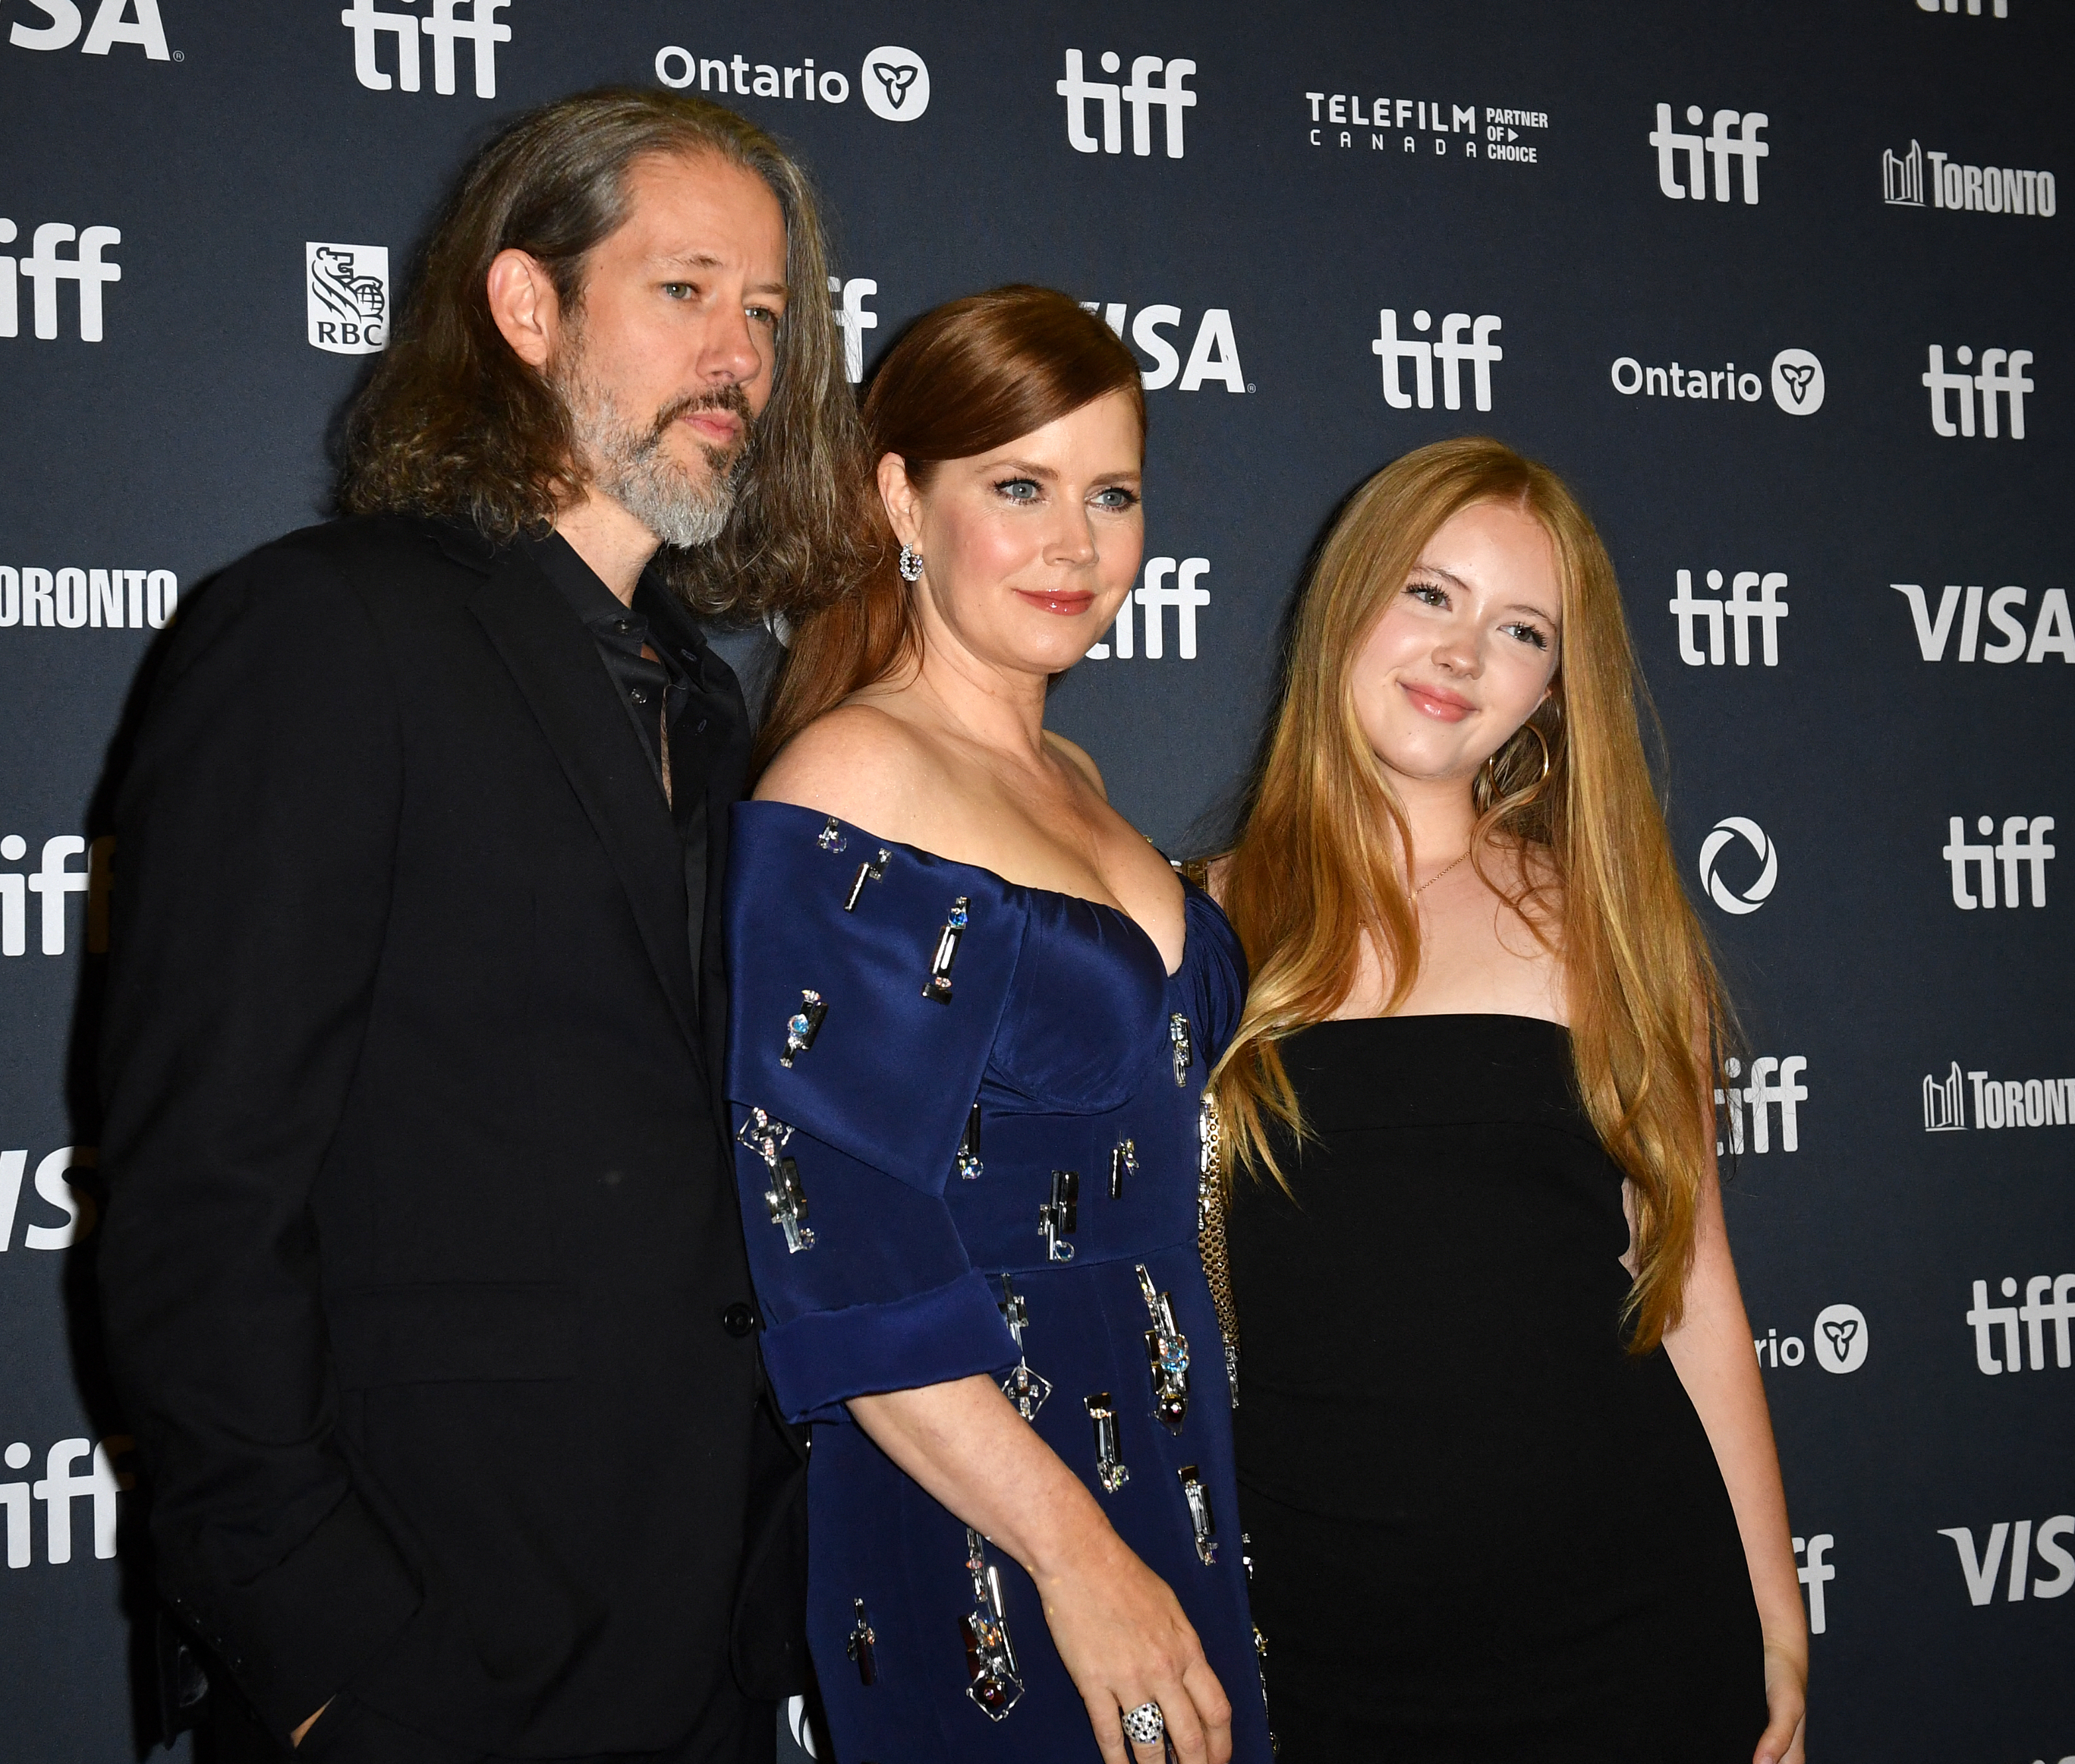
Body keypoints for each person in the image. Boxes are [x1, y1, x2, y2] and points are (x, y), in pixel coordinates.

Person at [95, 89, 867, 1763]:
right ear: (527, 306)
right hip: (429, 1647)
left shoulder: (711, 702)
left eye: (765, 312)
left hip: (705, 1641)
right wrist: (320, 1651)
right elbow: (195, 1193)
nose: (738, 356)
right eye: (684, 290)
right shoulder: (319, 633)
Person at [727, 286, 1269, 1764]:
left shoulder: (1076, 776)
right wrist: (1075, 1560)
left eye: (1112, 495)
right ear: (901, 500)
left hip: (1166, 1448)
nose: (1075, 546)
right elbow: (834, 1253)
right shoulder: (851, 781)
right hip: (983, 1502)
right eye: (1019, 488)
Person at [1207, 437, 1808, 1762]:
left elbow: (1690, 1282)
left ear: (1550, 686)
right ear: (1347, 598)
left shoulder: (1603, 926)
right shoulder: (1192, 928)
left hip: (1630, 1636)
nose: (1461, 653)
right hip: (1318, 1648)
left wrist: (1775, 1612)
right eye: (1428, 593)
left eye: (1519, 629)